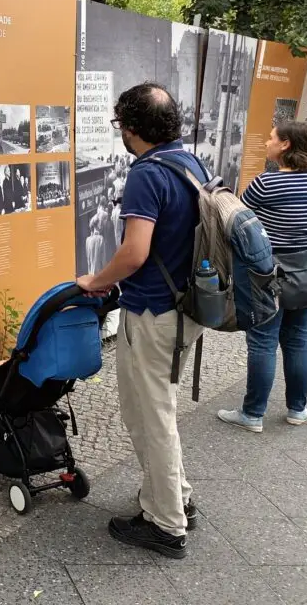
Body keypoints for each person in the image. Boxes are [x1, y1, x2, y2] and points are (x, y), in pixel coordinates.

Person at [76, 82, 207, 560]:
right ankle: (178, 499)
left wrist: (97, 280)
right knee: (159, 412)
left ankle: (167, 525)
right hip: (185, 309)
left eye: (120, 126)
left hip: (152, 313)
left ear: (132, 130)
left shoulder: (145, 175)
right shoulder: (190, 162)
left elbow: (133, 254)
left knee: (150, 418)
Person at [218, 122, 307, 433]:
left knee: (264, 342)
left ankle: (253, 414)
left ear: (286, 145)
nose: (267, 141)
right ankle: (297, 409)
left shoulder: (266, 184)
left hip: (269, 277)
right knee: (298, 340)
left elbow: (237, 221)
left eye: (272, 137)